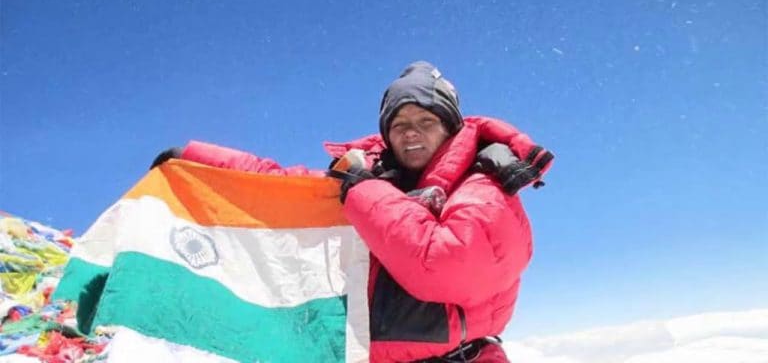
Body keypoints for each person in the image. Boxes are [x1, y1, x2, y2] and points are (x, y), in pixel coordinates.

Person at [151, 61, 553, 362]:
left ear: (450, 127)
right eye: (398, 124)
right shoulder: (374, 181)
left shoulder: (484, 186)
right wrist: (198, 160)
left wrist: (364, 191)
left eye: (426, 120)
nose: (411, 132)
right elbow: (284, 187)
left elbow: (446, 264)